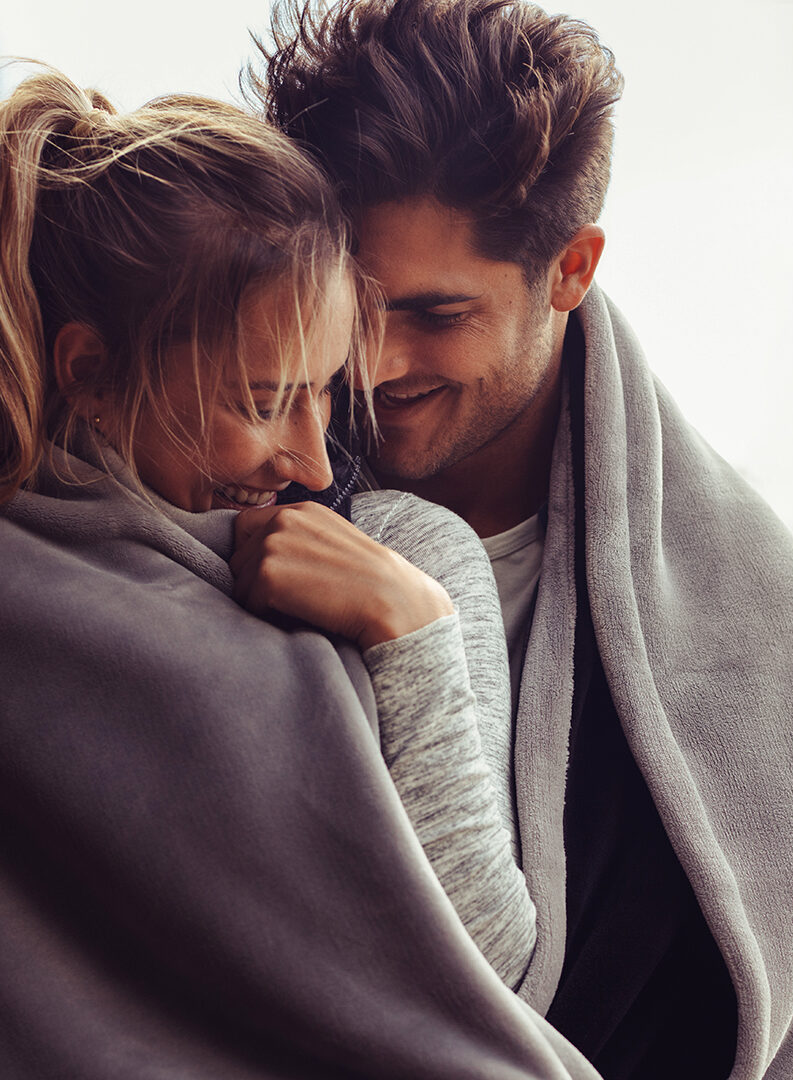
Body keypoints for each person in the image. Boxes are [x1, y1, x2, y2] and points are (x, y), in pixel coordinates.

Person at [254, 1, 793, 1077]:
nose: (376, 360)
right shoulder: (218, 484)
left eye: (438, 316)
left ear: (572, 269)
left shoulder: (760, 620)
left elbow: (788, 1020)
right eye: (354, 303)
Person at [0, 66, 602, 1079]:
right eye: (263, 399)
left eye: (326, 393)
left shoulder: (406, 555)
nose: (316, 461)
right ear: (90, 373)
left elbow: (484, 964)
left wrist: (413, 628)